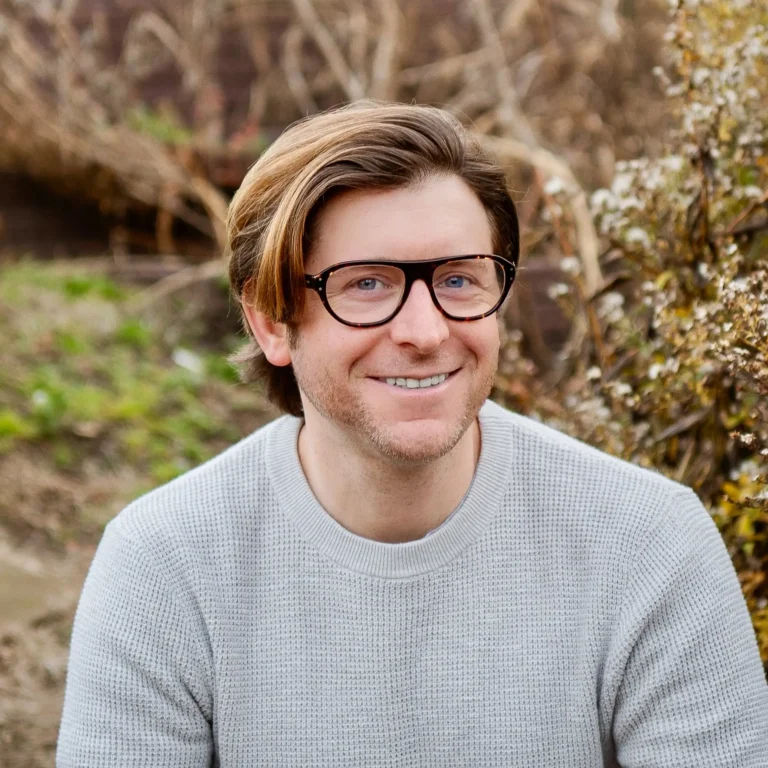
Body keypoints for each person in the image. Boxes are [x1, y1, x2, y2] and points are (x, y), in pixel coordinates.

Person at [57, 101, 768, 767]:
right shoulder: (165, 567)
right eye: (367, 284)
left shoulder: (648, 546)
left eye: (459, 280)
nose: (426, 332)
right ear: (271, 320)